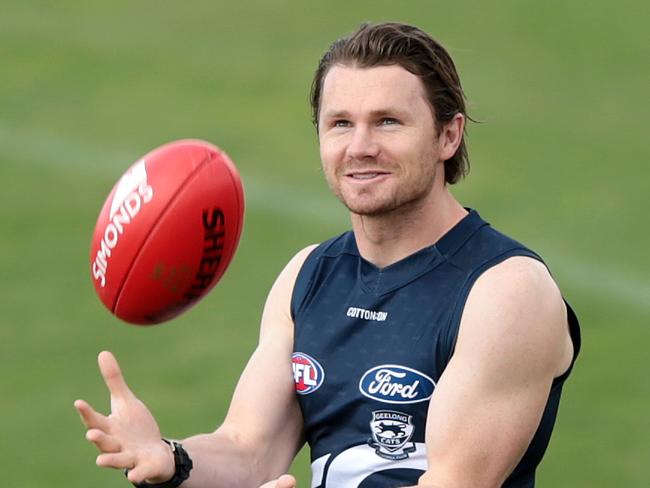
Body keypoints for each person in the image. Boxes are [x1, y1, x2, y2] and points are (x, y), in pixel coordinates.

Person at [75, 22, 580, 488]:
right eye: (340, 123)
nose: (360, 146)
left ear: (448, 135)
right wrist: (169, 458)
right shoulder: (308, 277)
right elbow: (249, 451)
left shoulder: (505, 291)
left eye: (387, 122)